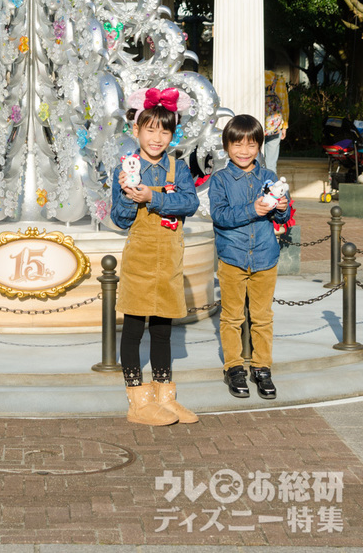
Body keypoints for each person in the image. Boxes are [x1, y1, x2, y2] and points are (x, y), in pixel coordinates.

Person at [110, 87, 200, 426]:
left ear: (172, 134)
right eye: (150, 129)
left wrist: (153, 197)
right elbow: (120, 220)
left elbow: (190, 203)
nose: (157, 138)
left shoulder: (179, 168)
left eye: (164, 131)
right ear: (136, 130)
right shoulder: (125, 169)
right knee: (133, 330)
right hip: (140, 260)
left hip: (170, 262)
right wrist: (128, 196)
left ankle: (165, 398)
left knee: (163, 330)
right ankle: (137, 402)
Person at [209, 114, 291, 401]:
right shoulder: (220, 179)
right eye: (237, 144)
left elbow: (283, 218)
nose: (244, 151)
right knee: (232, 317)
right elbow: (219, 216)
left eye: (251, 145)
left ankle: (262, 367)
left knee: (262, 317)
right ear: (226, 146)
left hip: (265, 256)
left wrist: (282, 207)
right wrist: (252, 210)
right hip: (232, 257)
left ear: (259, 146)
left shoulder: (269, 177)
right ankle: (233, 367)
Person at [264, 69, 289, 173]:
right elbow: (284, 104)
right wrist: (284, 126)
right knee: (271, 163)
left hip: (255, 126)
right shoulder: (279, 80)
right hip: (274, 126)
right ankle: (270, 182)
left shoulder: (254, 78)